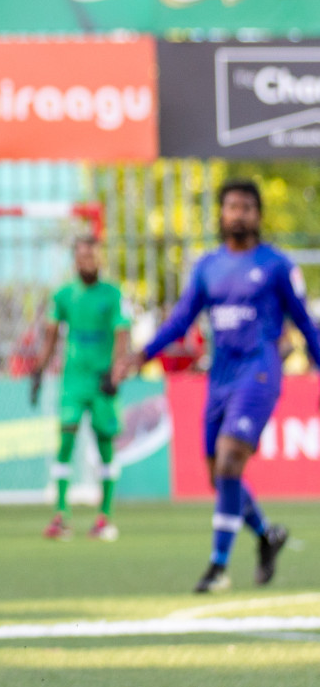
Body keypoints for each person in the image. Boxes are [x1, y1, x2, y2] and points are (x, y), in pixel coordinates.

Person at [119, 179, 320, 593]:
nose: (239, 214)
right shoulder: (208, 267)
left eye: (247, 207)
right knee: (218, 475)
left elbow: (304, 321)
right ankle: (266, 535)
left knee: (230, 461)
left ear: (258, 215)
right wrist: (142, 356)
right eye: (232, 206)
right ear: (222, 214)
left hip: (260, 371)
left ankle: (218, 566)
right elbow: (180, 321)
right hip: (220, 377)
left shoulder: (277, 266)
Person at [31, 236, 130, 541]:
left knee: (105, 447)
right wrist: (38, 369)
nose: (87, 262)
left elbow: (122, 334)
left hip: (102, 381)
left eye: (92, 256)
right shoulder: (63, 296)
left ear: (100, 259)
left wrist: (115, 372)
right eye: (82, 257)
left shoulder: (113, 295)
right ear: (75, 260)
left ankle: (106, 517)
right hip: (73, 381)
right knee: (65, 442)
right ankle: (61, 515)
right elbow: (50, 336)